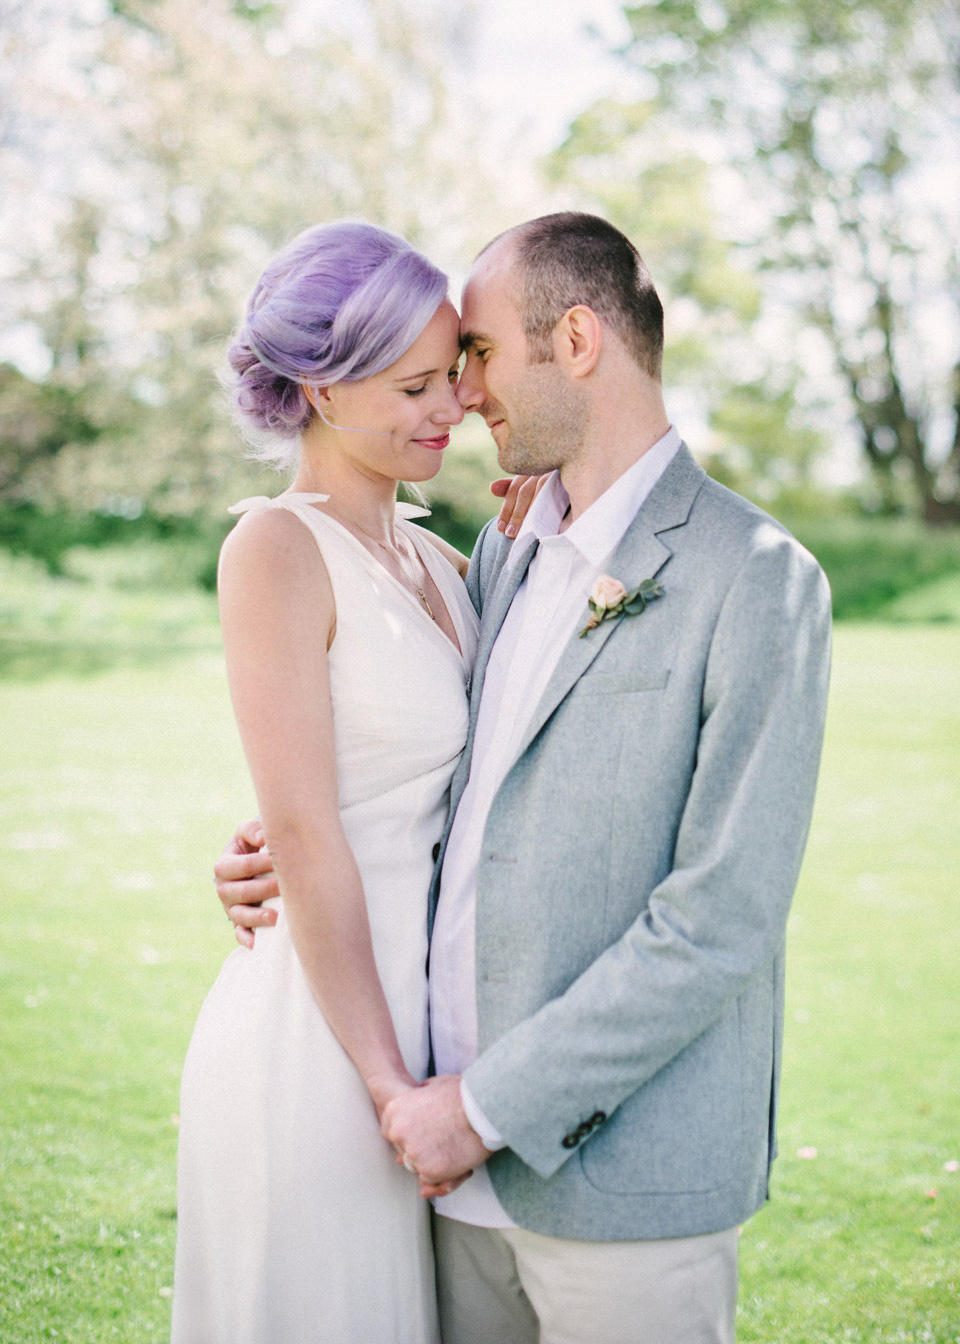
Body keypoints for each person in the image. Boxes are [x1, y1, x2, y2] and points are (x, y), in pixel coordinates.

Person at [216, 212, 832, 1344]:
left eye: (480, 357)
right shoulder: (503, 549)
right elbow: (406, 766)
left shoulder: (755, 580)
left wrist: (483, 1109)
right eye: (437, 376)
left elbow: (723, 916)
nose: (463, 397)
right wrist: (278, 848)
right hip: (436, 1169)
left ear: (580, 340)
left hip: (615, 1180)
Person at [171, 220, 536, 1344]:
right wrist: (385, 1087)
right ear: (321, 391)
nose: (452, 409)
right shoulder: (274, 550)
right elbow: (309, 836)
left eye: (456, 378)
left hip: (426, 1033)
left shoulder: (441, 556)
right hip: (321, 1044)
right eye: (415, 385)